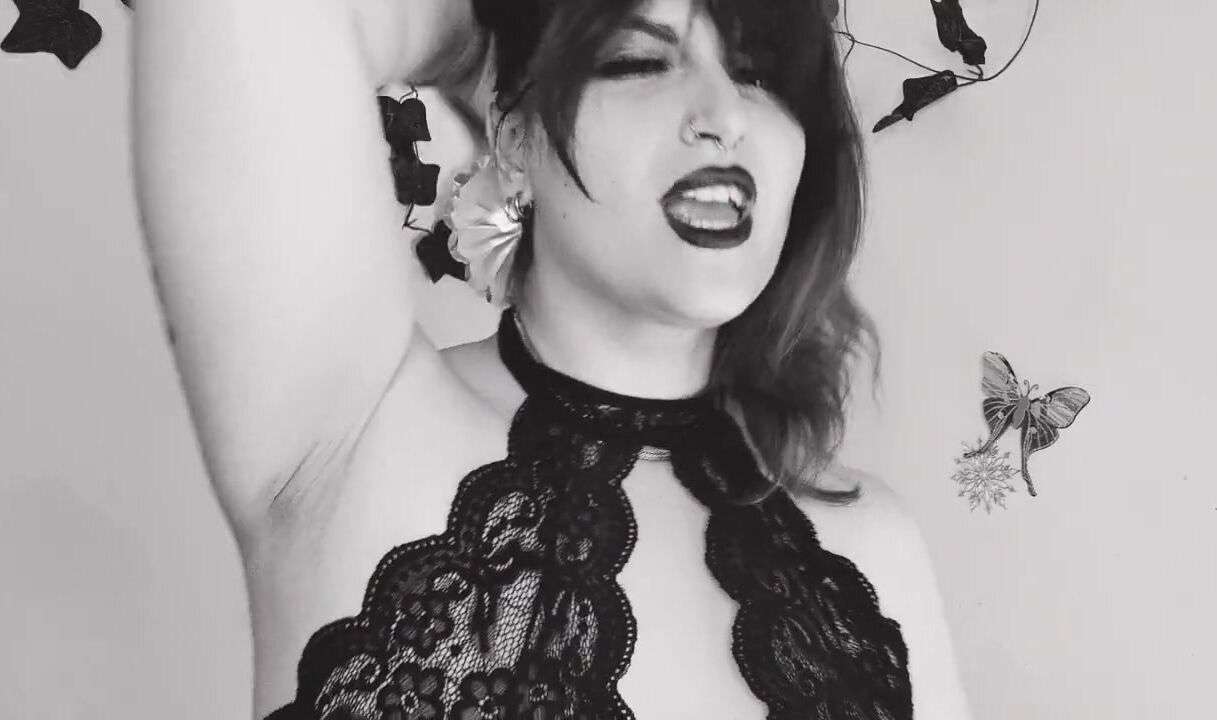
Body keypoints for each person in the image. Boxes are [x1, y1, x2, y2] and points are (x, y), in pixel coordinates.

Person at [132, 0, 972, 717]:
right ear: (514, 132)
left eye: (759, 73)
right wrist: (492, 34)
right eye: (636, 61)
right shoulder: (353, 432)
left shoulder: (876, 549)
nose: (724, 113)